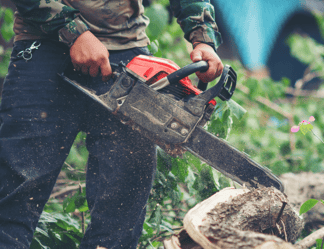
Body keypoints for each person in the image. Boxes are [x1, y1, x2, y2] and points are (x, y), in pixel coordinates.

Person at [0, 1, 223, 248]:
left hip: (128, 53)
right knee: (15, 196)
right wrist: (73, 31)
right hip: (44, 47)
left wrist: (203, 38)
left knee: (120, 211)